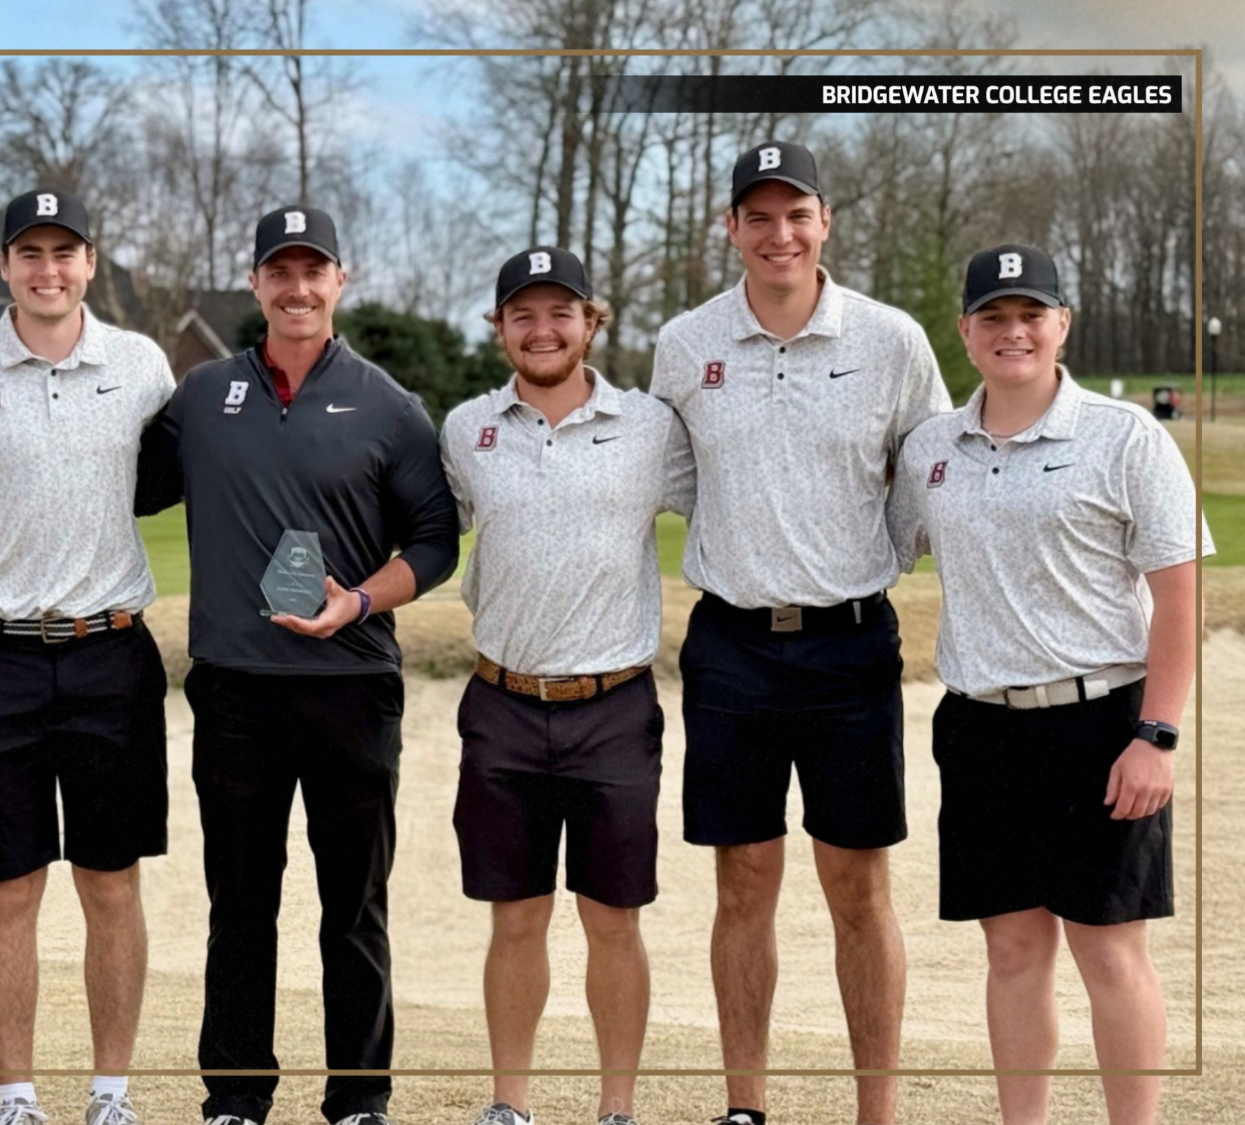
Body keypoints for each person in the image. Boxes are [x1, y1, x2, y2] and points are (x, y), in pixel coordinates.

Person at [647, 140, 951, 1125]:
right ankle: (745, 1105)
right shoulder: (683, 343)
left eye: (796, 214)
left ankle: (877, 1110)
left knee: (855, 884)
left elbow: (927, 477)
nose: (778, 234)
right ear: (730, 228)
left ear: (824, 223)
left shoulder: (890, 339)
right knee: (743, 878)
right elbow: (672, 476)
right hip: (730, 643)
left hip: (850, 645)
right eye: (757, 216)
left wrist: (859, 561)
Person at [137, 204, 459, 1125]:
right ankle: (236, 1096)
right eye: (280, 271)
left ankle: (359, 1099)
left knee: (352, 905)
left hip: (352, 684)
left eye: (314, 270)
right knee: (239, 903)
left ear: (340, 281)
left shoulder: (389, 405)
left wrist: (357, 601)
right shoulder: (202, 396)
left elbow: (436, 541)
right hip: (235, 687)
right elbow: (124, 486)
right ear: (256, 285)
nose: (298, 287)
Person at [890, 244, 1208, 1125]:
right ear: (965, 331)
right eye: (993, 316)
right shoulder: (932, 449)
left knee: (1109, 953)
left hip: (1103, 723)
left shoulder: (1124, 435)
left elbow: (1179, 598)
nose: (1014, 331)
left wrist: (1158, 734)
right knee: (1014, 951)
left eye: (1032, 314)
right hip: (981, 725)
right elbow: (876, 541)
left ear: (1063, 323)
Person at [0, 190, 175, 1125]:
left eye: (65, 253)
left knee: (110, 881)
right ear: (6, 266)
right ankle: (15, 1095)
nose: (47, 270)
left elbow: (209, 478)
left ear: (90, 262)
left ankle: (112, 1091)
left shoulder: (140, 365)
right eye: (30, 254)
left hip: (113, 653)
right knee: (8, 883)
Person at [441, 247, 694, 1125]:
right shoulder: (466, 428)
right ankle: (509, 1103)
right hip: (503, 702)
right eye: (523, 314)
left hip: (615, 705)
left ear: (593, 321)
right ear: (500, 327)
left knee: (613, 918)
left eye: (561, 313)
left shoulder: (652, 427)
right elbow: (422, 533)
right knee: (515, 919)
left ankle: (615, 1107)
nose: (542, 330)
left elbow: (732, 504)